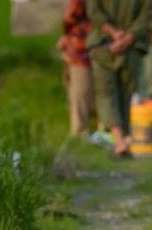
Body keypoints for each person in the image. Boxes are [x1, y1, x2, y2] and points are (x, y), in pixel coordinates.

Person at [86, 0, 152, 156]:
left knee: (106, 94)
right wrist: (127, 38)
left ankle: (119, 140)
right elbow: (146, 17)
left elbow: (94, 12)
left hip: (103, 43)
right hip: (131, 48)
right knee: (125, 93)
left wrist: (114, 33)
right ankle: (122, 140)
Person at [57, 0, 93, 137]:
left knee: (83, 93)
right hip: (79, 50)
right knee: (80, 92)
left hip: (85, 48)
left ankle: (84, 129)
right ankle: (79, 132)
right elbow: (69, 18)